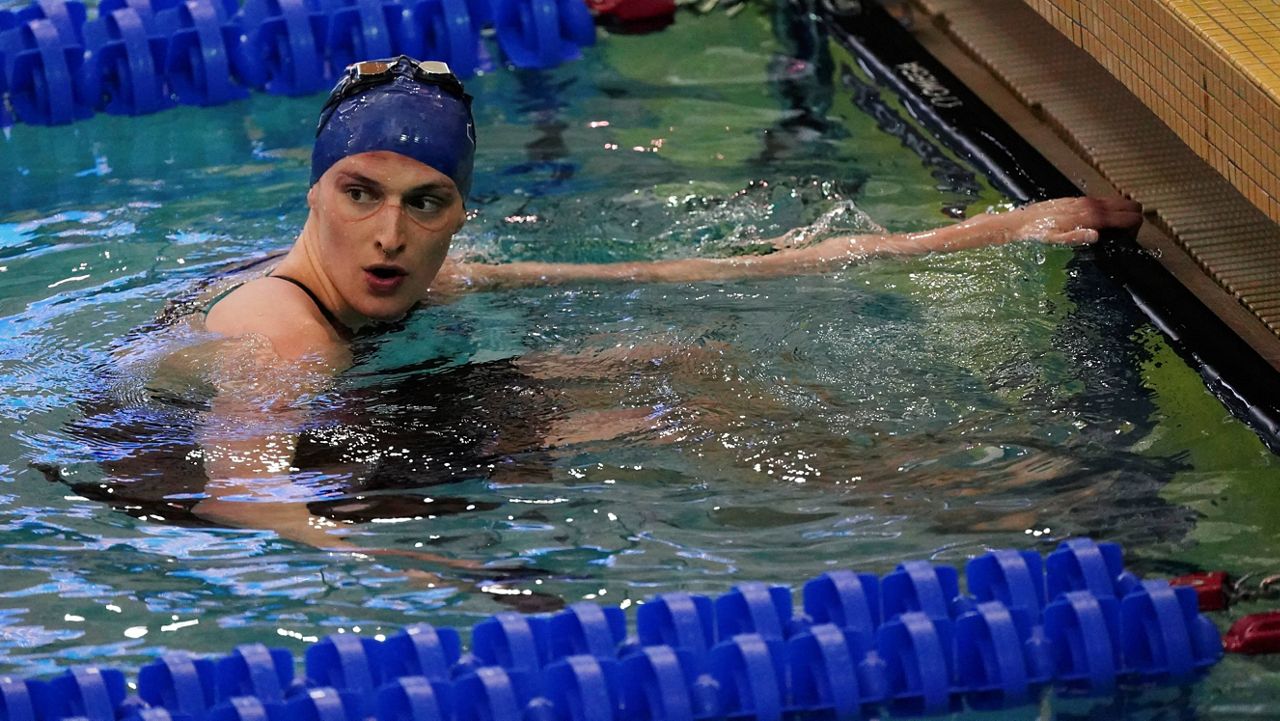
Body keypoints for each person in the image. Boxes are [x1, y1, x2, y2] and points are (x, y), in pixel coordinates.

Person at [178, 56, 1141, 561]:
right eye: (360, 193)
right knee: (678, 398)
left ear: (457, 215)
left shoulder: (426, 277)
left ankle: (966, 500)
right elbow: (239, 491)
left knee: (676, 352)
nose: (389, 235)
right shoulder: (280, 326)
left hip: (362, 427)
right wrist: (439, 579)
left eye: (424, 202)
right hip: (199, 466)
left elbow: (708, 271)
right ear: (312, 193)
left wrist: (974, 236)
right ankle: (984, 510)